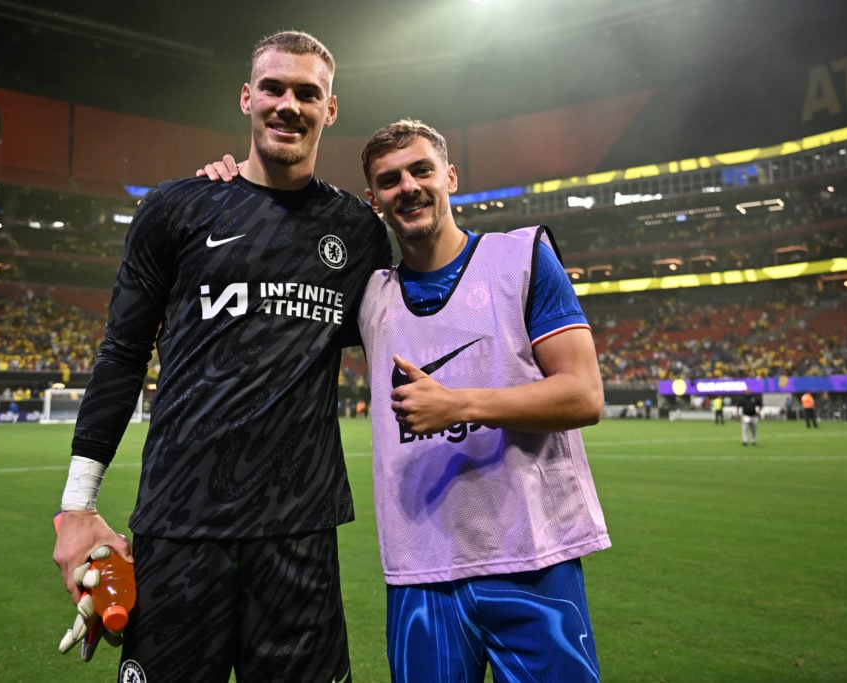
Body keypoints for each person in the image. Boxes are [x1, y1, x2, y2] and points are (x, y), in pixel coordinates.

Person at [51, 30, 391, 683]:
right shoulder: (178, 207)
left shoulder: (356, 231)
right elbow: (122, 355)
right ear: (246, 97)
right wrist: (77, 508)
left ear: (331, 109)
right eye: (274, 88)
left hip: (299, 536)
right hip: (179, 529)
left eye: (307, 93)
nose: (289, 104)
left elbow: (406, 323)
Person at [358, 120, 609, 682]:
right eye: (390, 180)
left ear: (449, 175)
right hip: (420, 569)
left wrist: (461, 405)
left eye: (422, 170)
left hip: (533, 559)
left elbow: (584, 393)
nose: (410, 187)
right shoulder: (370, 294)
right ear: (374, 201)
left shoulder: (521, 259)